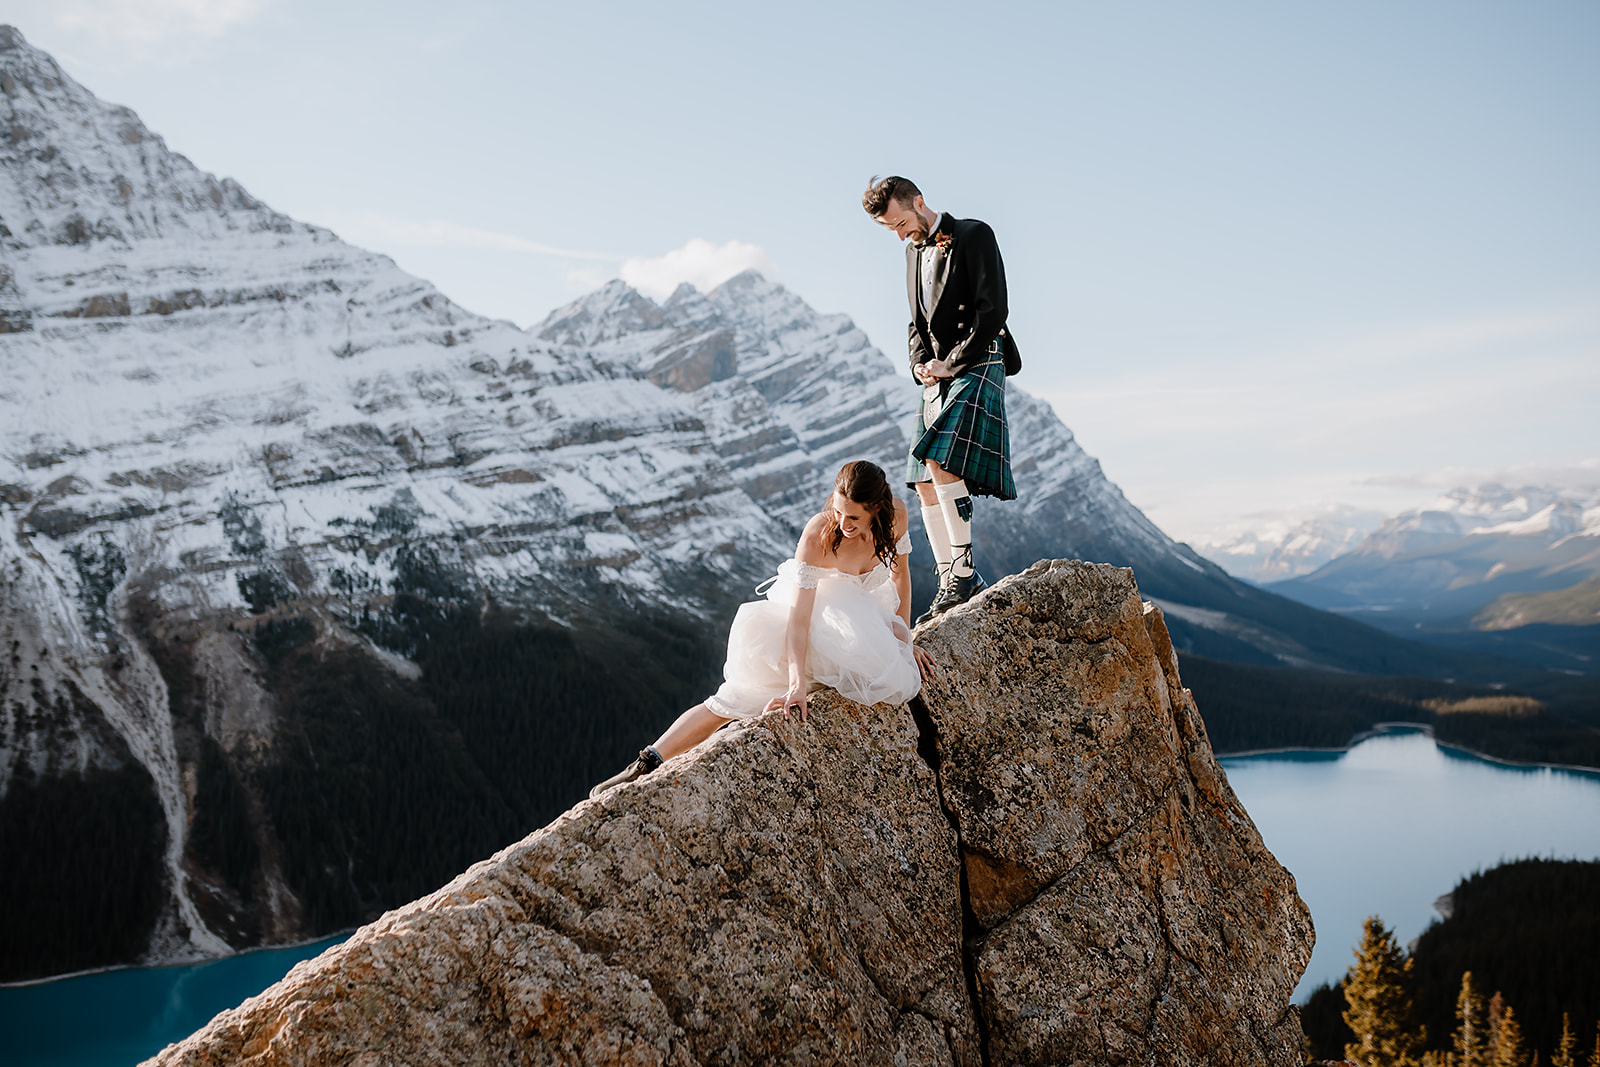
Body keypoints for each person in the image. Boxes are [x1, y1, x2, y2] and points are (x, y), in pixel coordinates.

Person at [589, 460, 936, 798]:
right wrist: (797, 683)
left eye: (854, 517)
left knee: (886, 675)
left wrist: (902, 640)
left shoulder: (897, 516)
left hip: (862, 625)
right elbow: (800, 617)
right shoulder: (819, 534)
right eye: (838, 510)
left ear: (876, 508)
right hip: (813, 624)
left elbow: (899, 577)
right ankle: (646, 762)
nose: (843, 522)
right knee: (735, 698)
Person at [862, 175, 1019, 626]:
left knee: (937, 457)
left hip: (978, 359)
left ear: (920, 202)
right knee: (924, 480)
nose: (899, 234)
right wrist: (919, 366)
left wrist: (951, 363)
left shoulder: (974, 235)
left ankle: (965, 571)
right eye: (889, 229)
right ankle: (950, 571)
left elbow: (994, 310)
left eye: (901, 222)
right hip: (935, 374)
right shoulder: (912, 253)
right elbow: (916, 324)